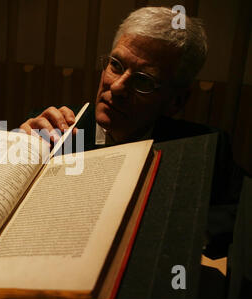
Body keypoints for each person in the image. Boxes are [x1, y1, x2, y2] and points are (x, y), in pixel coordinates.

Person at [19, 7, 245, 258]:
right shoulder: (52, 128)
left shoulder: (203, 148)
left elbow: (241, 212)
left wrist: (177, 231)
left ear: (176, 102)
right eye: (116, 65)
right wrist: (13, 146)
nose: (116, 87)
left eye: (143, 81)